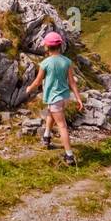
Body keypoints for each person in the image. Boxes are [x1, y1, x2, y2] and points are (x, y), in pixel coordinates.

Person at [23, 31, 84, 165]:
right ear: (60, 45)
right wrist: (78, 98)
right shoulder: (67, 61)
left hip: (54, 97)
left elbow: (38, 82)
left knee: (62, 126)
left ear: (46, 46)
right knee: (51, 113)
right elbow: (72, 82)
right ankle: (46, 136)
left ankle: (69, 155)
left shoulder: (45, 63)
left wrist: (29, 89)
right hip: (64, 97)